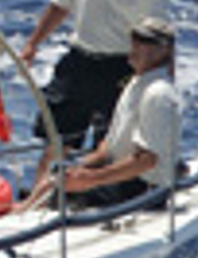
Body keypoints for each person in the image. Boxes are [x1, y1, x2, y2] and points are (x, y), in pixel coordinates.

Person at [21, 0, 168, 180]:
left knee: (110, 145)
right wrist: (32, 44)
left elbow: (158, 40)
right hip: (79, 59)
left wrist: (154, 84)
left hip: (120, 68)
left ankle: (95, 199)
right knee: (57, 140)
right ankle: (38, 202)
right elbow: (60, 5)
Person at [23, 17, 180, 212]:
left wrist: (91, 180)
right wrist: (79, 166)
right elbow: (110, 145)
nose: (135, 46)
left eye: (146, 42)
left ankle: (29, 219)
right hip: (122, 178)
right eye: (135, 39)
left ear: (164, 51)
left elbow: (146, 160)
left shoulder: (158, 94)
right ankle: (21, 212)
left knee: (59, 191)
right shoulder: (136, 83)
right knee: (56, 177)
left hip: (142, 189)